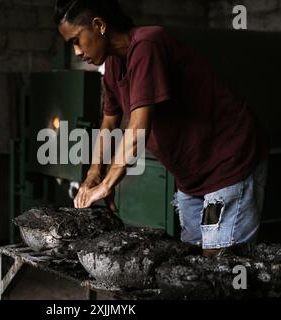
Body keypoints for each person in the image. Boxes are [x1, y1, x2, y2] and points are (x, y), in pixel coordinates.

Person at [54, 0, 269, 256]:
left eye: (76, 40)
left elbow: (137, 128)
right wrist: (93, 174)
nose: (77, 52)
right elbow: (108, 123)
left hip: (228, 160)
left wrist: (107, 184)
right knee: (192, 260)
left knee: (220, 269)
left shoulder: (148, 45)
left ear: (99, 25)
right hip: (191, 176)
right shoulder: (112, 65)